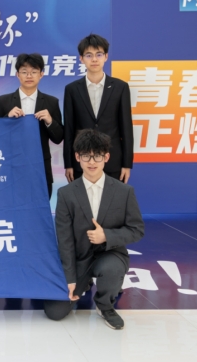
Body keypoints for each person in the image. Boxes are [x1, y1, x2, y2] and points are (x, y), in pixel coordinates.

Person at [44, 129, 144, 330]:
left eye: (97, 155)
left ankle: (105, 304)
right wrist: (70, 278)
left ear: (106, 157)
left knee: (111, 269)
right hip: (79, 258)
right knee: (54, 312)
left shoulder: (124, 191)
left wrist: (106, 235)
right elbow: (64, 239)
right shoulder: (66, 194)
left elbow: (136, 229)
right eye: (86, 156)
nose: (92, 162)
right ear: (77, 157)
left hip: (110, 253)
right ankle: (84, 282)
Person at [63, 34, 133, 184]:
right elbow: (69, 129)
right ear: (81, 58)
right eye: (89, 55)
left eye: (99, 54)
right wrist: (68, 164)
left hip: (113, 161)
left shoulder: (120, 87)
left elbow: (126, 129)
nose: (94, 59)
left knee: (112, 199)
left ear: (106, 56)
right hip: (82, 161)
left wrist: (127, 164)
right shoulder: (72, 89)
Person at [0, 53, 63, 198]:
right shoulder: (4, 101)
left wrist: (49, 121)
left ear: (41, 74)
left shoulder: (51, 102)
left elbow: (58, 138)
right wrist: (7, 118)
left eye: (34, 72)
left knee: (41, 205)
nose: (29, 76)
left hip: (40, 168)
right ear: (17, 74)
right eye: (24, 72)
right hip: (12, 166)